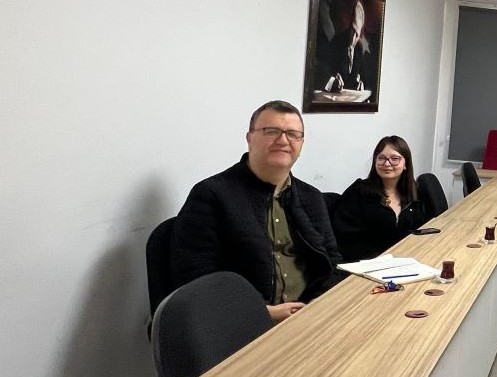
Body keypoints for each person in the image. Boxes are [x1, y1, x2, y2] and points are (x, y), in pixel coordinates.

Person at [170, 100, 344, 324]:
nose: (283, 141)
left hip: (310, 316)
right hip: (243, 322)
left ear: (301, 143)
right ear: (249, 138)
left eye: (293, 134)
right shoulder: (211, 195)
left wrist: (317, 306)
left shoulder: (311, 196)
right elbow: (196, 278)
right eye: (271, 131)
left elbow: (332, 260)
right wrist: (260, 312)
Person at [332, 134, 430, 262]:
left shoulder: (413, 194)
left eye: (395, 158)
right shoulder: (358, 192)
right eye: (381, 158)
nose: (387, 163)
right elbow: (345, 239)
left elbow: (421, 230)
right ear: (375, 162)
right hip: (368, 264)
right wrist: (382, 260)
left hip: (406, 260)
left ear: (406, 164)